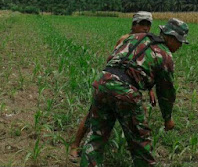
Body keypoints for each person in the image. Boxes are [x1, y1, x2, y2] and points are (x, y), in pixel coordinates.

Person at [80, 18, 189, 167]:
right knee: (140, 143)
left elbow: (111, 59)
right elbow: (166, 93)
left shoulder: (134, 37)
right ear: (170, 38)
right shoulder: (165, 55)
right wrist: (167, 118)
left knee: (96, 137)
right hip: (126, 91)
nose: (180, 46)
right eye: (180, 42)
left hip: (102, 83)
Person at [70, 11, 155, 159]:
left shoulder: (146, 44)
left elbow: (144, 68)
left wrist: (151, 89)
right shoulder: (125, 39)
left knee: (138, 118)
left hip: (128, 87)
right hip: (111, 81)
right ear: (134, 25)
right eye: (142, 24)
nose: (145, 28)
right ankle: (75, 145)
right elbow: (114, 61)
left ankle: (133, 150)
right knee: (92, 114)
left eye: (148, 25)